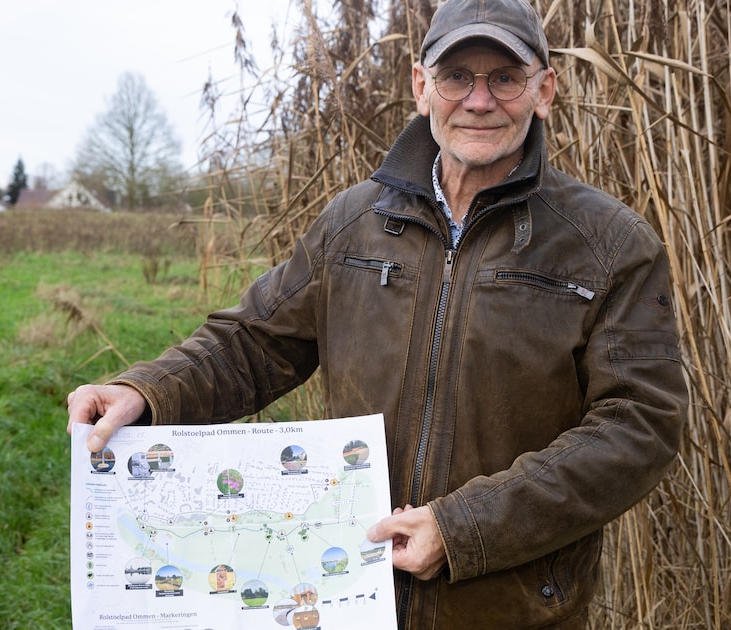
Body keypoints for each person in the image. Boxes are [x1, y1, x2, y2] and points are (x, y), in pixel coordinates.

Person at [66, 0, 688, 626]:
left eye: (505, 77)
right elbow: (256, 341)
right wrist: (145, 392)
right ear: (422, 87)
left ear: (544, 90)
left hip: (511, 608)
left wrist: (463, 527)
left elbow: (640, 424)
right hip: (349, 595)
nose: (479, 100)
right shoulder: (354, 224)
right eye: (456, 77)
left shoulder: (609, 244)